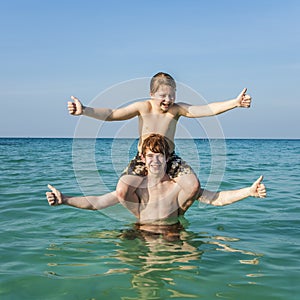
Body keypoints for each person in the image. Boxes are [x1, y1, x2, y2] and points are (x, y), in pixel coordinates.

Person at [67, 72, 252, 210]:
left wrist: (234, 103)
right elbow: (112, 114)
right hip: (143, 159)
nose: (168, 100)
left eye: (171, 95)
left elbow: (208, 109)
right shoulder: (142, 107)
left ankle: (177, 214)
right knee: (122, 191)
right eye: (163, 95)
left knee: (193, 186)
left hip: (169, 158)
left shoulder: (177, 110)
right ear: (151, 94)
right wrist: (84, 110)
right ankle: (142, 216)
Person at [46, 134, 266, 233]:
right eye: (150, 156)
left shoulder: (178, 187)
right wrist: (64, 199)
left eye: (160, 155)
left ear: (168, 158)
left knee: (191, 263)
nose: (155, 160)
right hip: (140, 231)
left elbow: (216, 199)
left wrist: (249, 191)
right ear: (142, 159)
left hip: (173, 233)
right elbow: (97, 202)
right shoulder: (136, 189)